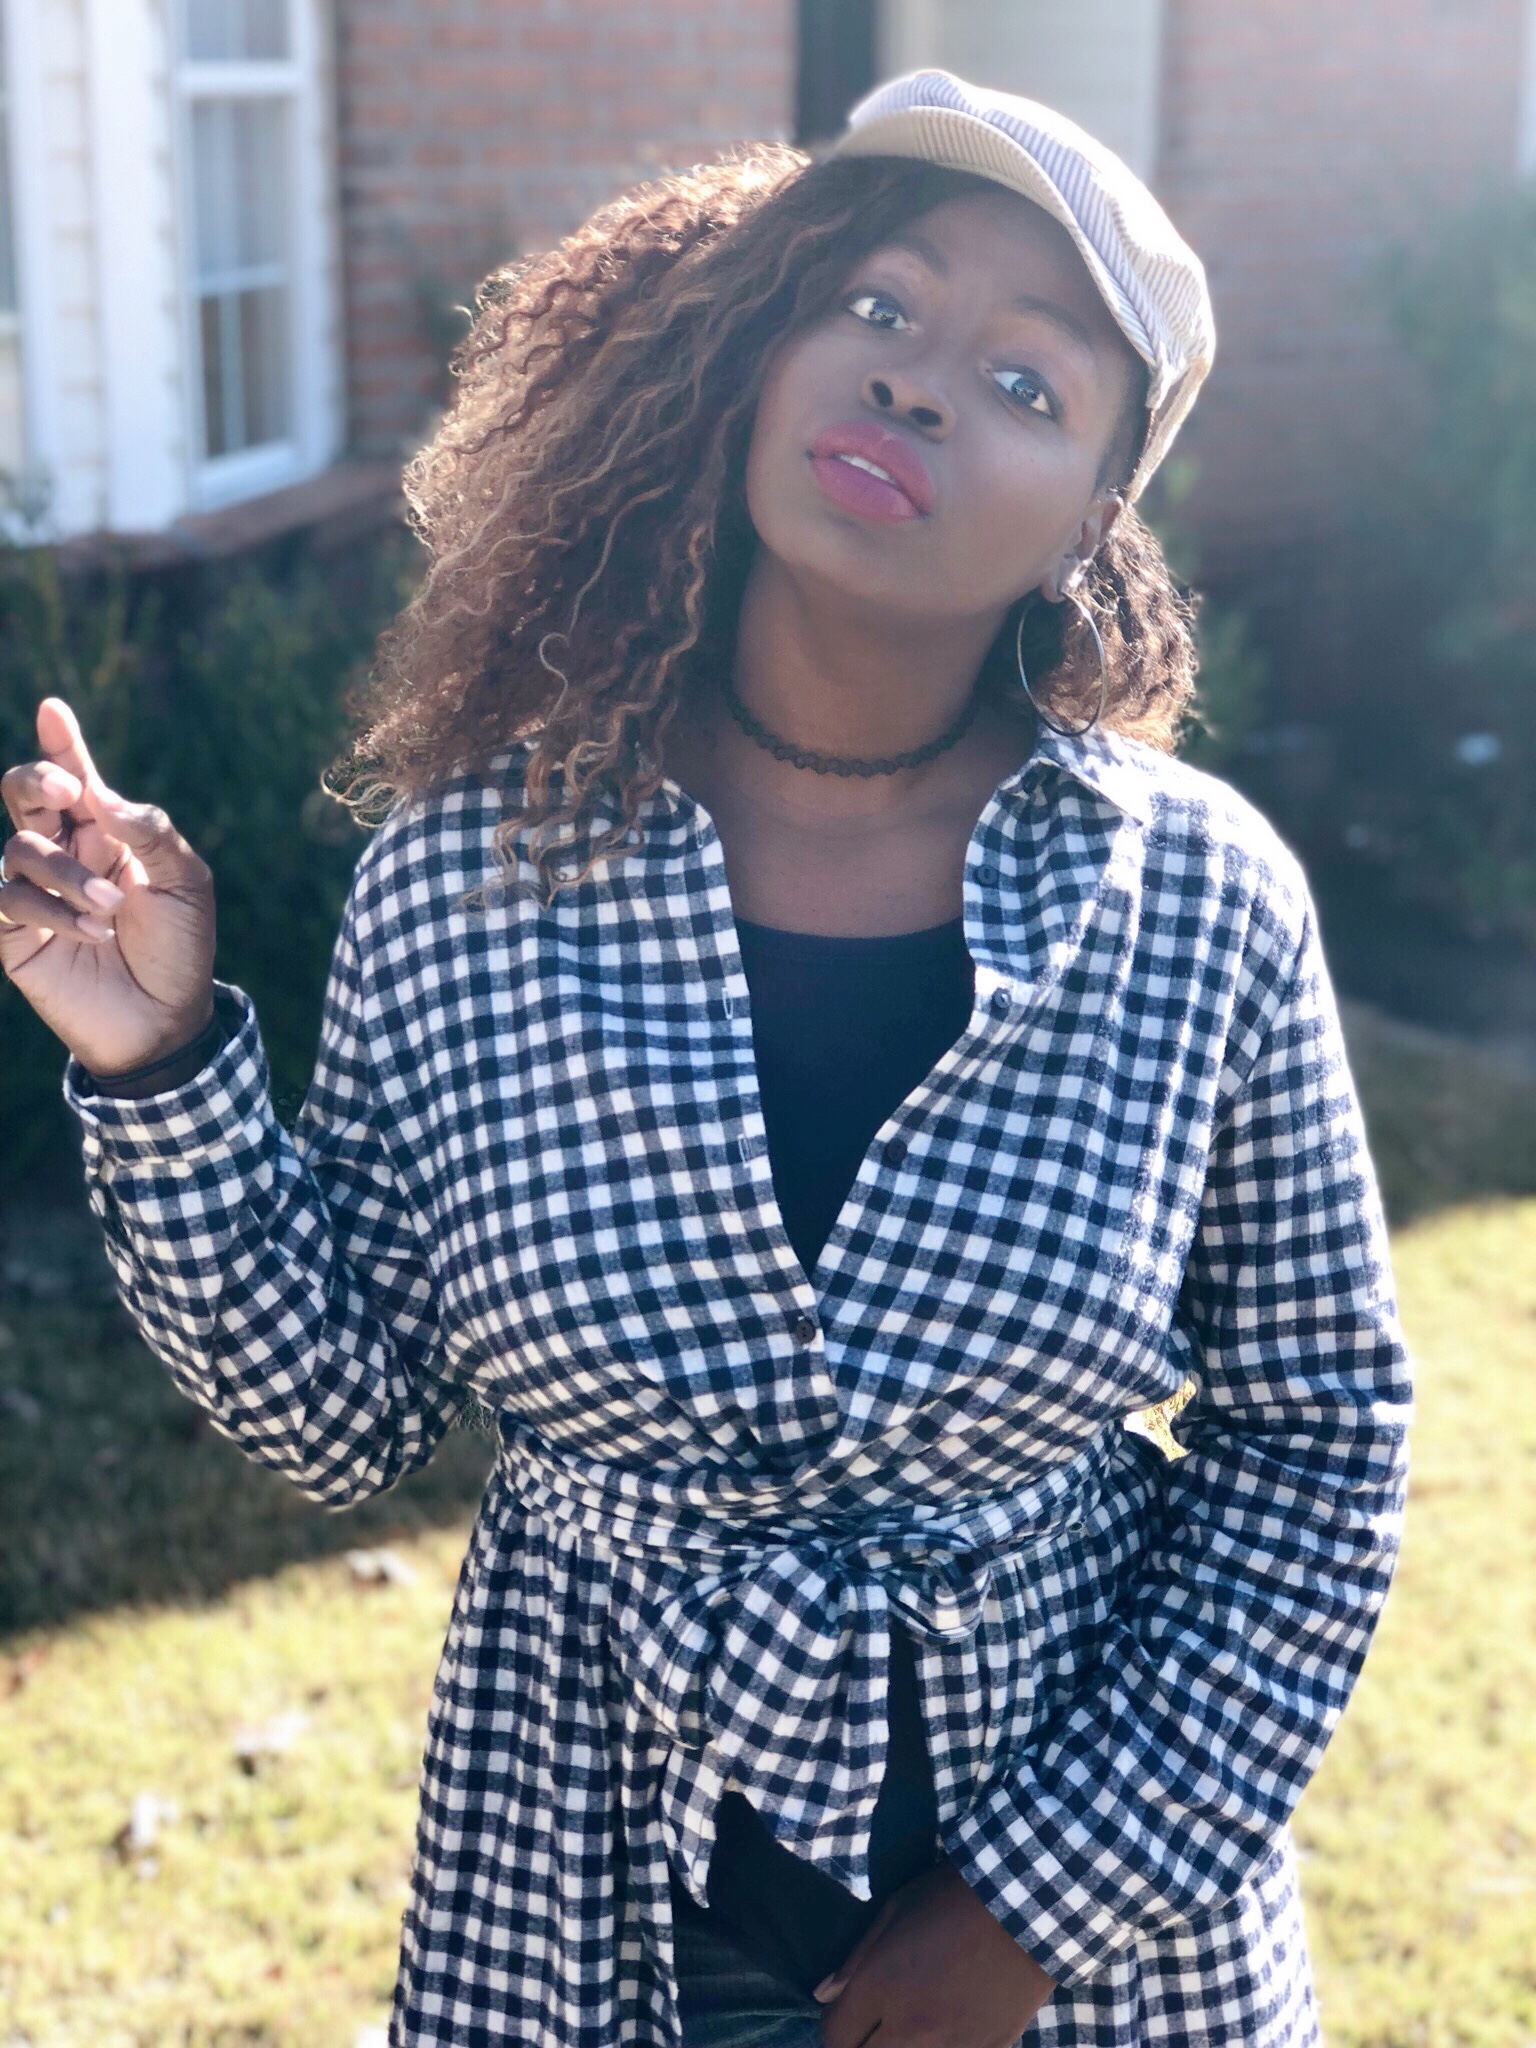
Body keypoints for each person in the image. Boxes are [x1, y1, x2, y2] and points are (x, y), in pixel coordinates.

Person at [0, 70, 1410, 2048]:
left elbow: (1318, 1445)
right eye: (881, 306)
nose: (919, 381)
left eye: (1026, 381)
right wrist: (156, 1066)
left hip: (1091, 1946)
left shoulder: (1196, 901)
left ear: (1093, 525)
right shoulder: (472, 882)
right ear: (763, 355)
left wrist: (1025, 1914)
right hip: (584, 1896)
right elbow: (343, 1422)